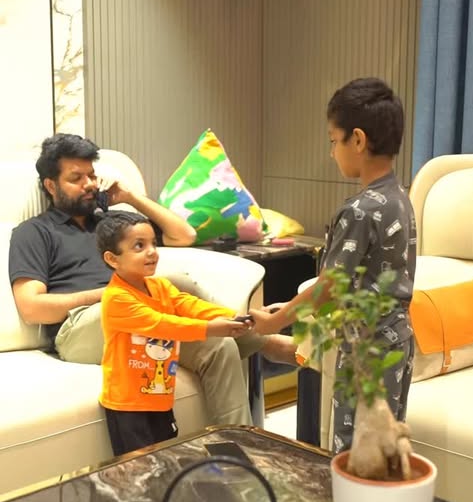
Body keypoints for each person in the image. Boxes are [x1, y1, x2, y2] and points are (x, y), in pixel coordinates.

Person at [9, 134, 296, 427]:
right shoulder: (34, 232)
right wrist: (111, 294)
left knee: (218, 346)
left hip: (138, 317)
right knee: (172, 283)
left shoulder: (112, 225)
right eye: (76, 178)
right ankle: (268, 340)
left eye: (92, 175)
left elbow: (184, 235)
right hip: (80, 329)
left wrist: (132, 198)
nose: (90, 184)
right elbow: (32, 308)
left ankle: (238, 443)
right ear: (51, 185)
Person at [249, 77, 417, 453]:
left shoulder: (359, 210)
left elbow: (329, 288)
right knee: (384, 444)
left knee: (353, 452)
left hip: (365, 350)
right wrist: (292, 307)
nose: (331, 152)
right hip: (399, 342)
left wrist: (276, 321)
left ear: (357, 140)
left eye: (333, 140)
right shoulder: (400, 198)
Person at [96, 211, 254, 456]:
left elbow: (190, 305)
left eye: (153, 243)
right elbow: (164, 324)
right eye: (139, 246)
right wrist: (212, 329)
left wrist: (235, 316)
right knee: (139, 470)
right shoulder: (116, 298)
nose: (152, 252)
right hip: (127, 406)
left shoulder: (160, 286)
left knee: (168, 460)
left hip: (160, 397)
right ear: (112, 259)